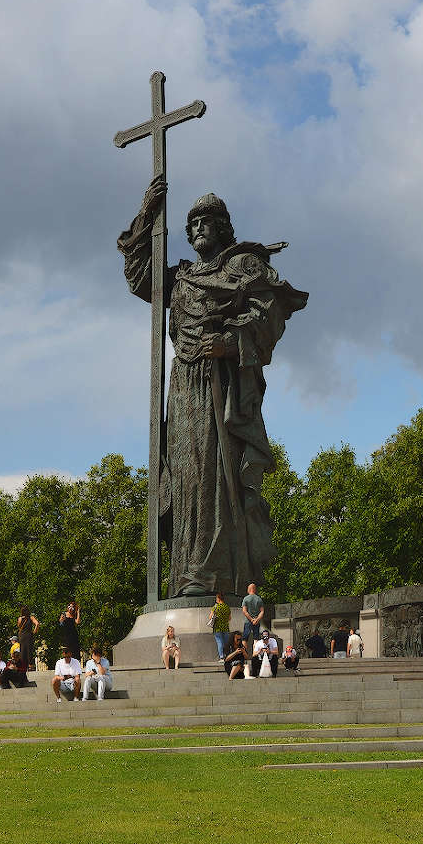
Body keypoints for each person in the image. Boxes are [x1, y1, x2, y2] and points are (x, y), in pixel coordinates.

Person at [120, 176, 308, 597]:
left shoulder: (240, 268)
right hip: (182, 388)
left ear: (223, 227)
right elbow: (139, 278)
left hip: (219, 385)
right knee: (184, 477)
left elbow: (269, 315)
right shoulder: (182, 278)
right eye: (192, 224)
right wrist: (146, 214)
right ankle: (185, 572)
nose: (198, 228)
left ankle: (214, 575)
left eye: (206, 221)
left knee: (213, 475)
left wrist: (229, 342)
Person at [209, 593, 232, 658]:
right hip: (225, 627)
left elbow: (210, 617)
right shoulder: (227, 607)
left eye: (216, 598)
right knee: (226, 643)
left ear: (218, 598)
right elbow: (229, 618)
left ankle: (221, 656)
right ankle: (227, 655)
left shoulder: (215, 607)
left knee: (219, 642)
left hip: (217, 628)